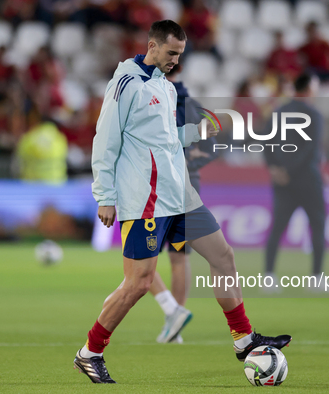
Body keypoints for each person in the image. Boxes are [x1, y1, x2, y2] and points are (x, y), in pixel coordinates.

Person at [75, 20, 291, 384]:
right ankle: (90, 352)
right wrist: (105, 196)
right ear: (153, 45)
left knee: (223, 256)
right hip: (147, 201)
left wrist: (195, 131)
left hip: (180, 195)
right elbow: (105, 140)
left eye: (180, 54)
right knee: (139, 283)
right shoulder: (127, 82)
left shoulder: (165, 85)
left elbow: (164, 139)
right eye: (172, 52)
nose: (176, 60)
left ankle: (243, 340)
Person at [148, 62, 219, 344]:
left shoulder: (152, 98)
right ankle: (175, 326)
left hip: (157, 186)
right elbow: (215, 140)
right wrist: (194, 160)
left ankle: (171, 310)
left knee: (139, 257)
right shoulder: (195, 106)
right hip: (188, 185)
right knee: (179, 258)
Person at [263, 73, 329, 293]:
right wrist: (291, 170)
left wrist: (276, 169)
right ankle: (316, 278)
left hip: (282, 181)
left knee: (277, 226)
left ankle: (268, 278)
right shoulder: (313, 114)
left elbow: (265, 142)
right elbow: (309, 151)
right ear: (309, 89)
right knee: (318, 224)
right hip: (306, 179)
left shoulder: (278, 112)